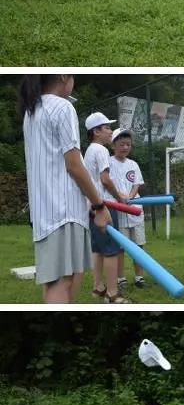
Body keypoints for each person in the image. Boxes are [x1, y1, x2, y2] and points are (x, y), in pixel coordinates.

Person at [19, 75, 112, 303]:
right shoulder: (63, 107)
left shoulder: (32, 110)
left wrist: (87, 201)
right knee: (62, 281)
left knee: (61, 281)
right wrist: (99, 204)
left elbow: (58, 166)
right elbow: (73, 165)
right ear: (63, 76)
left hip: (48, 212)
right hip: (63, 212)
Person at [83, 111, 128, 304]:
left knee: (98, 248)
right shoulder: (101, 150)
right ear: (96, 131)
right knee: (111, 249)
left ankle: (98, 287)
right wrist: (120, 197)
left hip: (91, 206)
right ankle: (112, 293)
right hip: (104, 206)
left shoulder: (89, 150)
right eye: (107, 128)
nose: (111, 131)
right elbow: (105, 179)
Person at [108, 128, 147, 290]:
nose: (125, 147)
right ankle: (121, 278)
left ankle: (139, 277)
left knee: (139, 244)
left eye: (128, 145)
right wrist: (120, 198)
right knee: (121, 246)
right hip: (118, 210)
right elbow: (107, 183)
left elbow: (136, 183)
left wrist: (130, 198)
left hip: (135, 209)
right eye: (121, 144)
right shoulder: (108, 162)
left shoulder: (133, 164)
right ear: (113, 145)